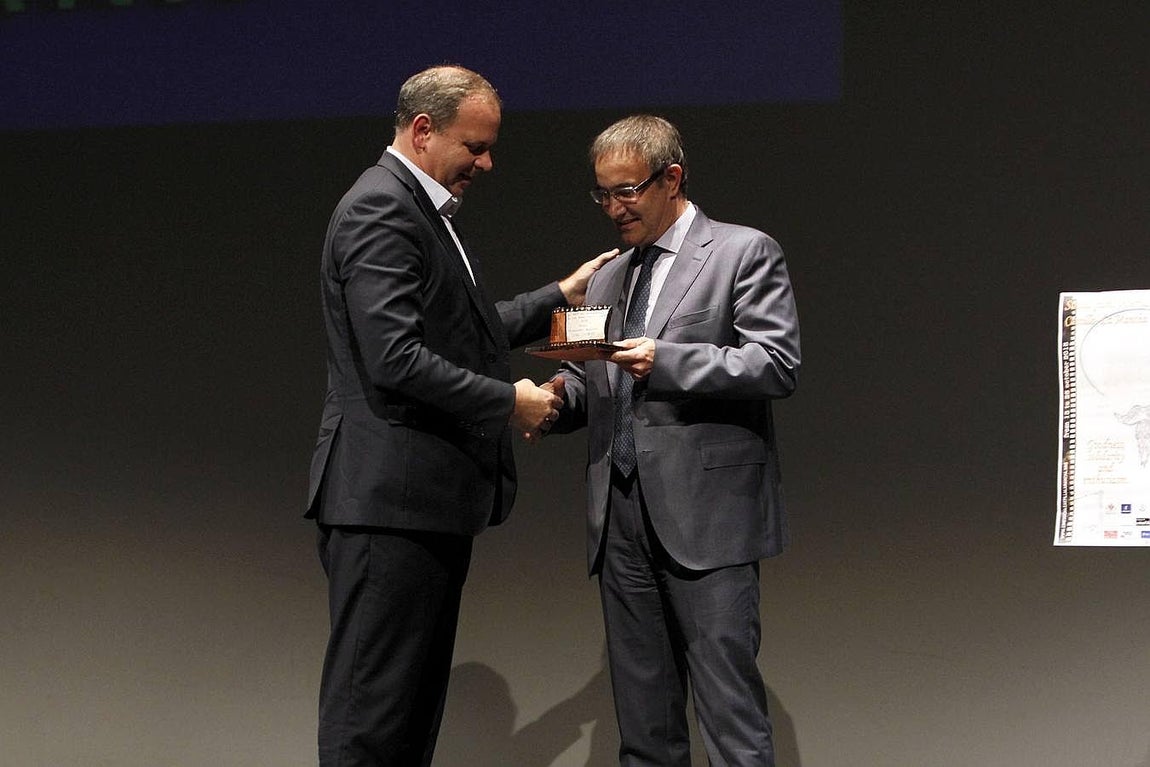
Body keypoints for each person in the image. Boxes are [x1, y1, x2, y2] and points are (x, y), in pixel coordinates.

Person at [305, 65, 616, 767]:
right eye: (475, 146)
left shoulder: (419, 210)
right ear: (423, 130)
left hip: (420, 505)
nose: (486, 163)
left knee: (408, 720)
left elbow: (459, 333)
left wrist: (558, 295)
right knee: (372, 720)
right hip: (389, 506)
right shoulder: (381, 209)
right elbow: (396, 359)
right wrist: (511, 401)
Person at [542, 115, 800, 766]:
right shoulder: (607, 276)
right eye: (603, 194)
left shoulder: (743, 251)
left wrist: (669, 360)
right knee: (645, 730)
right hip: (619, 518)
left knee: (731, 722)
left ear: (672, 177)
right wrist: (552, 400)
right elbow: (586, 375)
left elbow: (775, 363)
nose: (614, 208)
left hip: (707, 519)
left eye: (627, 191)